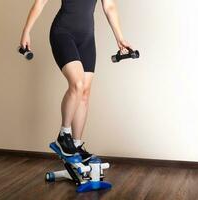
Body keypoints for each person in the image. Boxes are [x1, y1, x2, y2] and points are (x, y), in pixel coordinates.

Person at [20, 0, 133, 162]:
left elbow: (109, 6)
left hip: (86, 38)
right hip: (62, 33)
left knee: (85, 92)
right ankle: (63, 134)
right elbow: (40, 2)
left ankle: (76, 144)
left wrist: (120, 38)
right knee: (77, 84)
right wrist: (26, 31)